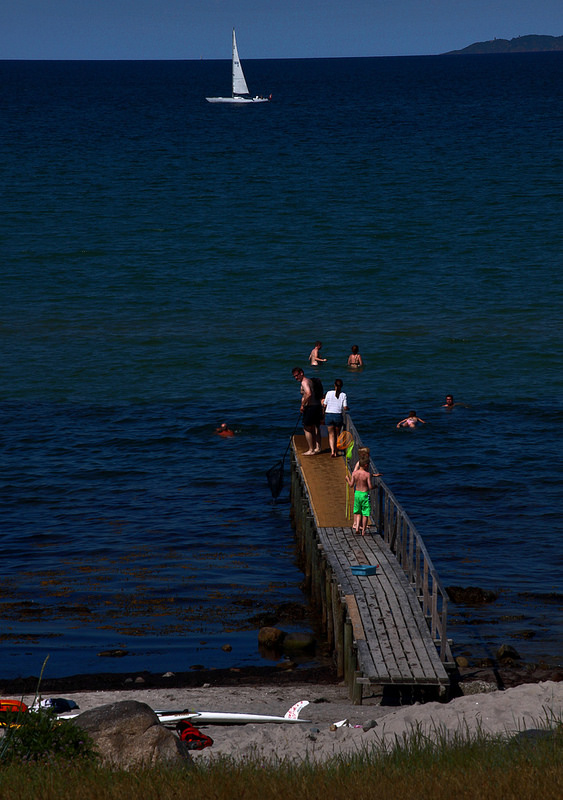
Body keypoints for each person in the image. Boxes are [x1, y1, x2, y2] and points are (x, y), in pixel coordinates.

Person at [292, 367, 322, 455]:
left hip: (310, 408)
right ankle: (318, 448)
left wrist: (302, 405)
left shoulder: (304, 382)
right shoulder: (309, 381)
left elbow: (308, 393)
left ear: (301, 373)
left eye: (297, 376)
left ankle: (311, 449)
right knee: (316, 427)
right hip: (316, 406)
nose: (296, 378)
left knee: (306, 428)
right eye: (294, 376)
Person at [346, 450, 373, 535]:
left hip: (357, 493)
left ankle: (357, 526)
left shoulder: (354, 473)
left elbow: (351, 485)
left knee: (357, 512)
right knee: (365, 513)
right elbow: (370, 487)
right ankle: (363, 531)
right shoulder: (367, 474)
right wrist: (375, 487)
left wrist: (347, 479)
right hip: (364, 494)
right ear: (366, 465)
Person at [322, 379, 348, 457]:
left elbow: (324, 404)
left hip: (329, 415)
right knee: (337, 434)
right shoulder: (343, 395)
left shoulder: (329, 393)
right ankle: (336, 451)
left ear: (334, 385)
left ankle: (332, 451)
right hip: (338, 416)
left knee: (331, 434)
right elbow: (345, 407)